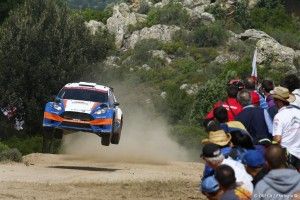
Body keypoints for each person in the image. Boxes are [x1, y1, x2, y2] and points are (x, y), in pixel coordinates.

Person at [271, 86, 300, 171]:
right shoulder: (298, 112)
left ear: (279, 101)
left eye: (275, 100)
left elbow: (277, 139)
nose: (273, 102)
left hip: (287, 156)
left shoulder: (279, 116)